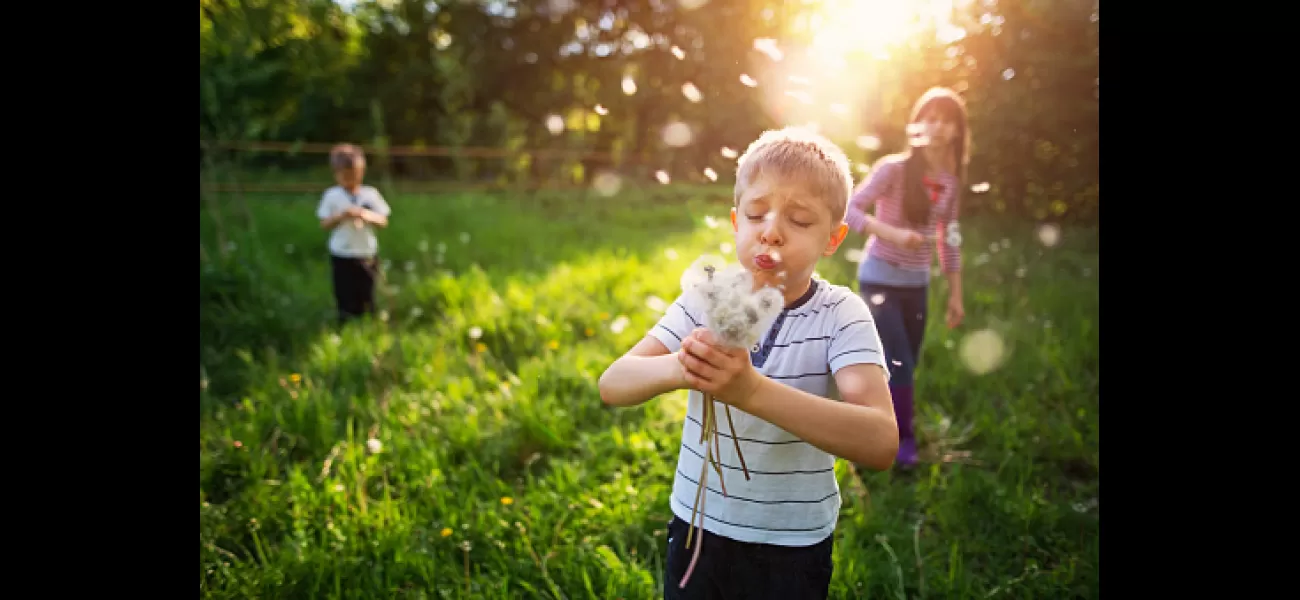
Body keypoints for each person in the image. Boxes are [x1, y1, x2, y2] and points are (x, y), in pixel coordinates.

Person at [598, 127, 898, 599]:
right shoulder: (706, 300)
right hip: (698, 529)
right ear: (737, 221)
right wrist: (684, 366)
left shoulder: (841, 316)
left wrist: (751, 392)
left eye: (799, 220)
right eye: (757, 213)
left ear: (833, 239)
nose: (771, 230)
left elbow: (880, 442)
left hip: (791, 545)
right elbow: (614, 384)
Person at [842, 87, 970, 469]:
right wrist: (893, 234)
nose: (938, 126)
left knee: (906, 361)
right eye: (930, 117)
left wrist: (956, 294)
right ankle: (900, 440)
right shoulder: (892, 170)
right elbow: (850, 209)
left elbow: (950, 238)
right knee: (898, 361)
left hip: (917, 285)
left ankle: (869, 423)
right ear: (917, 124)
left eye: (947, 120)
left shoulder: (950, 183)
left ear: (956, 132)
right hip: (879, 279)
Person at [315, 143, 391, 324]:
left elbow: (383, 220)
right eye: (346, 175)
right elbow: (324, 223)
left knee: (367, 292)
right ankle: (346, 324)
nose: (351, 179)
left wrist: (364, 215)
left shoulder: (370, 194)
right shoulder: (332, 196)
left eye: (355, 174)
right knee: (344, 293)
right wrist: (342, 216)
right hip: (342, 254)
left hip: (367, 253)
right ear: (336, 173)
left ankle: (368, 325)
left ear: (362, 171)